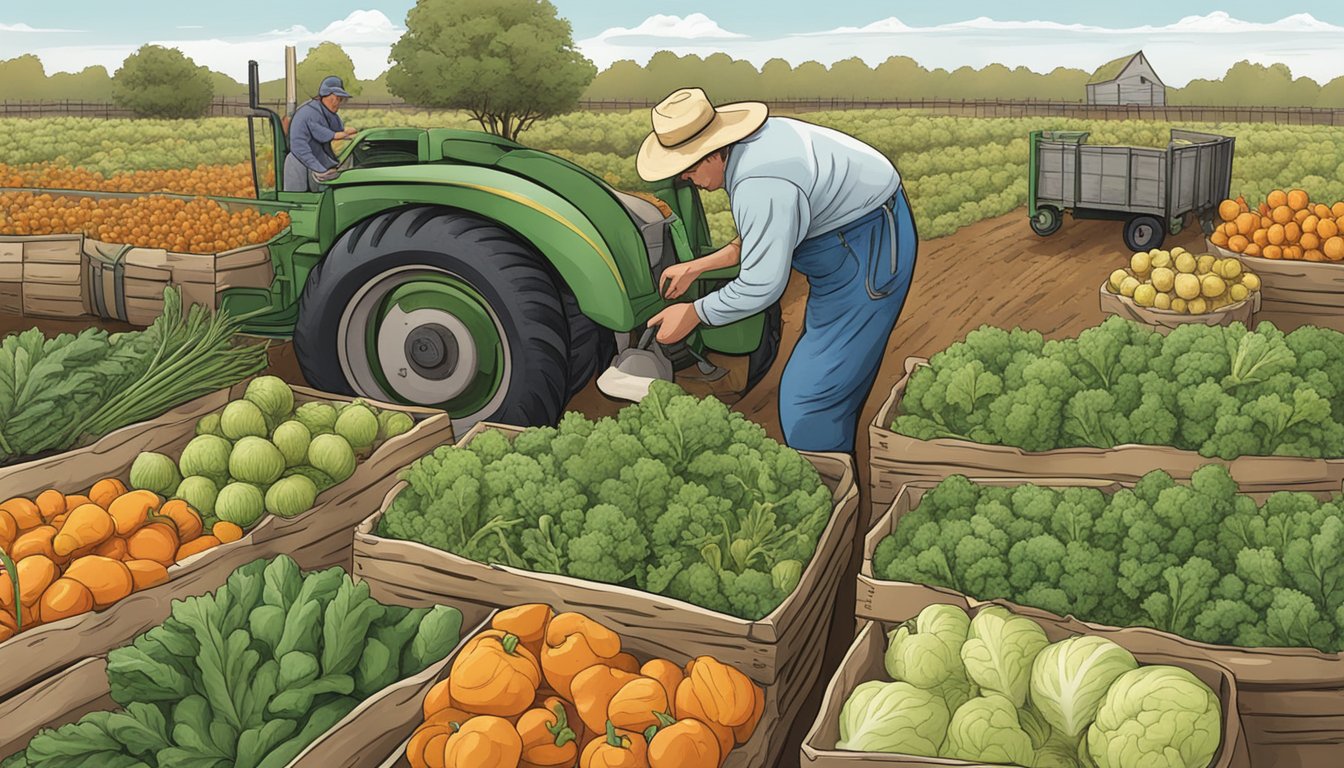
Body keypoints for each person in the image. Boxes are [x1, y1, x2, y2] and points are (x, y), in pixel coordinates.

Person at [639, 88, 917, 454]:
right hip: (848, 234)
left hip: (867, 246)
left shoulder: (760, 182)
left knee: (811, 399)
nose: (687, 180)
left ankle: (831, 493)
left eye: (688, 168)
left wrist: (693, 313)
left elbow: (761, 285)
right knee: (823, 375)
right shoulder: (752, 153)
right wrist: (700, 265)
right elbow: (767, 232)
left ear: (714, 151)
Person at [283, 76, 359, 192]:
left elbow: (338, 130)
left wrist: (348, 134)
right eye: (336, 98)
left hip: (318, 158)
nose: (338, 103)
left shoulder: (329, 114)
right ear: (325, 95)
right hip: (302, 161)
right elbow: (326, 134)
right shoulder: (309, 113)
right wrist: (321, 170)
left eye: (340, 100)